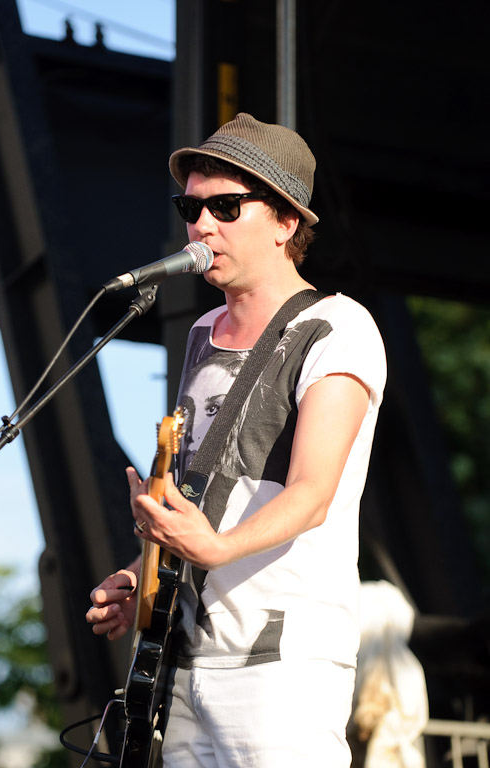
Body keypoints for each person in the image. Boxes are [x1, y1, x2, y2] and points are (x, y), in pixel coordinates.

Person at [86, 112, 387, 767]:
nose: (201, 225)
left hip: (283, 663)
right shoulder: (201, 335)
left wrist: (215, 547)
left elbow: (311, 492)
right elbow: (203, 494)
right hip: (186, 661)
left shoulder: (336, 326)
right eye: (189, 206)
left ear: (287, 221)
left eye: (225, 206)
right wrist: (145, 574)